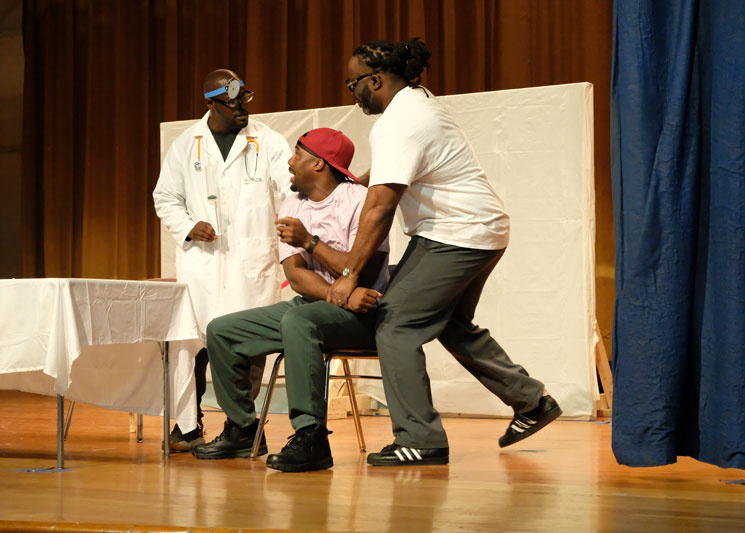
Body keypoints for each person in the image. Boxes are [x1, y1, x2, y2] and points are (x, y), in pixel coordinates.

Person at [328, 38, 562, 466]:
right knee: (448, 320)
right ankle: (531, 402)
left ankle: (421, 439)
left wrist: (348, 273)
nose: (352, 92)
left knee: (395, 324)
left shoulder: (398, 122)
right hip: (480, 230)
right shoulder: (420, 102)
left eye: (352, 84)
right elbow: (413, 165)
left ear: (375, 80)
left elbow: (381, 207)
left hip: (457, 234)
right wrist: (364, 178)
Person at [191, 127, 390, 472]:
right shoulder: (292, 204)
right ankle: (243, 428)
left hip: (364, 313)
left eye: (298, 154)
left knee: (299, 321)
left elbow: (363, 270)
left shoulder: (360, 201)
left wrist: (310, 242)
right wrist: (335, 292)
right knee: (223, 330)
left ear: (319, 164)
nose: (289, 161)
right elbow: (296, 276)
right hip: (326, 302)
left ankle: (311, 436)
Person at [153, 69, 293, 450]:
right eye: (232, 103)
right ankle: (186, 426)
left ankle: (243, 429)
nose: (242, 108)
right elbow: (165, 196)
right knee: (193, 345)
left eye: (245, 100)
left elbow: (292, 186)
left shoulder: (268, 141)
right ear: (211, 103)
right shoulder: (187, 144)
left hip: (250, 262)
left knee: (247, 345)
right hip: (202, 264)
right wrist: (187, 225)